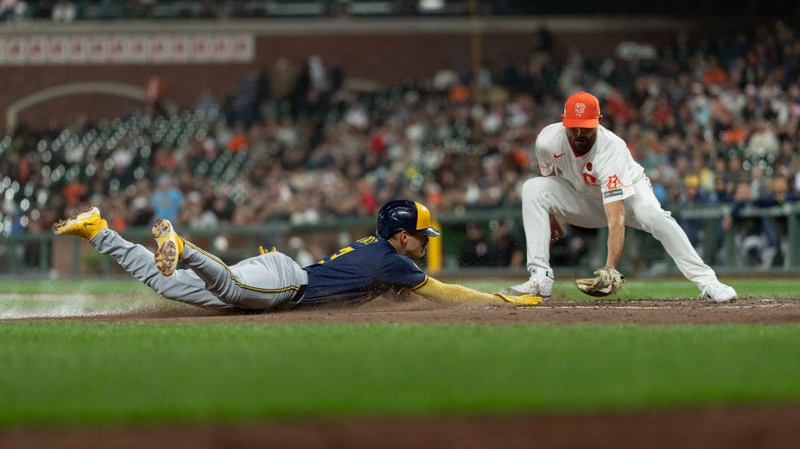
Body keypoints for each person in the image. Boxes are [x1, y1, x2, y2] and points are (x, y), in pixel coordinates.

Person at [53, 200, 541, 310]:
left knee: (166, 285)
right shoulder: (394, 260)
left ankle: (97, 230)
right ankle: (182, 246)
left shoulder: (382, 255)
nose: (425, 241)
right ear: (401, 236)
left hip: (281, 273)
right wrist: (499, 302)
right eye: (421, 235)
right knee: (233, 287)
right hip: (288, 283)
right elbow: (445, 292)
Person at [504, 91, 737, 302]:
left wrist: (610, 268)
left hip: (630, 197)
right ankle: (540, 278)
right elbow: (549, 174)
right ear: (564, 122)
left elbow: (616, 219)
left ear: (599, 122)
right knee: (532, 188)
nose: (579, 132)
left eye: (586, 126)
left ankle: (709, 282)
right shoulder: (547, 140)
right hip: (585, 196)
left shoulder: (611, 149)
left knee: (655, 216)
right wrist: (551, 214)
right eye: (574, 126)